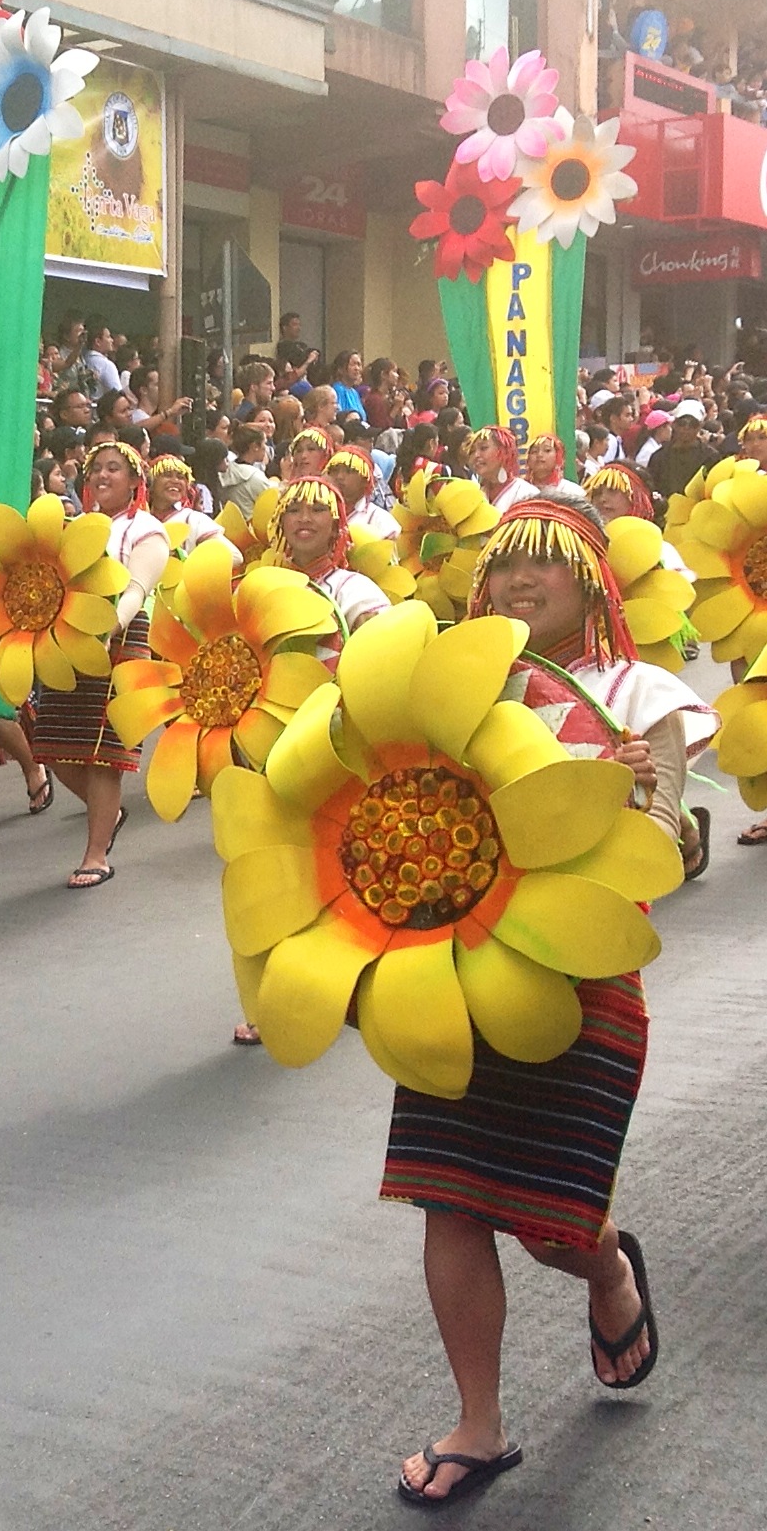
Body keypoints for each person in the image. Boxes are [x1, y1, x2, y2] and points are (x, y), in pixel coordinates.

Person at [391, 496, 682, 1506]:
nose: (519, 582)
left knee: (550, 1221)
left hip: (585, 982)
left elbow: (676, 851)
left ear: (590, 578)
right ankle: (479, 1420)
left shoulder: (640, 691)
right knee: (451, 1195)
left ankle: (603, 1270)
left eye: (542, 566)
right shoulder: (461, 686)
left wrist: (635, 791)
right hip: (455, 970)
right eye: (505, 565)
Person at [33, 443, 169, 889]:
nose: (102, 476)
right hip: (70, 637)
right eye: (96, 469)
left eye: (114, 469)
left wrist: (111, 626)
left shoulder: (146, 529)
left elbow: (136, 587)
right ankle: (107, 813)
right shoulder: (74, 527)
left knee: (104, 754)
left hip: (121, 638)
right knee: (51, 743)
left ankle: (96, 855)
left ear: (134, 481)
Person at [271, 477, 388, 632]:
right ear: (282, 524)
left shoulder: (354, 590)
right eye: (293, 510)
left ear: (335, 526)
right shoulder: (266, 583)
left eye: (318, 509)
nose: (304, 519)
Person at [325, 447, 400, 540]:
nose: (339, 477)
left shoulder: (381, 521)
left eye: (349, 471)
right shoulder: (318, 512)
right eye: (334, 471)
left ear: (365, 480)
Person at [464, 426, 540, 514]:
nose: (476, 455)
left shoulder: (527, 494)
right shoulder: (475, 494)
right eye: (472, 451)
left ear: (505, 451)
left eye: (483, 448)